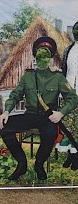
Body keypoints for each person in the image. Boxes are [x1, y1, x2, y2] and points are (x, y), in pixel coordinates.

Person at [0, 36, 78, 181]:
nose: (43, 59)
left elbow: (72, 98)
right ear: (35, 56)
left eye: (46, 56)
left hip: (48, 117)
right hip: (30, 114)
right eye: (40, 55)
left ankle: (39, 164)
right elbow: (15, 95)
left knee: (50, 133)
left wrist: (60, 113)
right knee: (4, 127)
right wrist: (6, 112)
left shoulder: (58, 78)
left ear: (51, 58)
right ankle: (22, 163)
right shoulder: (28, 76)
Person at [61, 21, 78, 169]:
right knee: (68, 126)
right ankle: (70, 155)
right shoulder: (68, 50)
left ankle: (77, 157)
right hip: (69, 92)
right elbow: (63, 70)